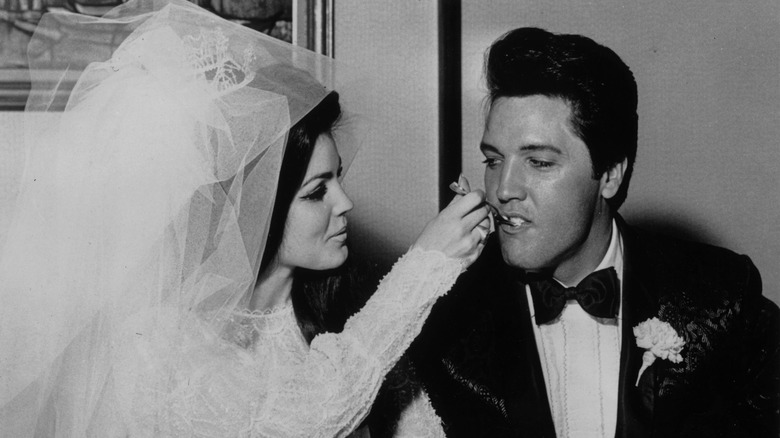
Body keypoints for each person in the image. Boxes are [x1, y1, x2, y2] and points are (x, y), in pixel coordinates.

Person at [0, 1, 489, 436]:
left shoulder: (340, 310)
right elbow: (291, 423)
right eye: (317, 191)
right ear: (255, 204)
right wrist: (424, 267)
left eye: (339, 179)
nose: (346, 204)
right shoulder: (157, 344)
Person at [407, 27, 780, 437]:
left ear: (610, 176)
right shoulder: (444, 319)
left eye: (539, 162)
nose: (503, 189)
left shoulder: (723, 297)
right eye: (494, 160)